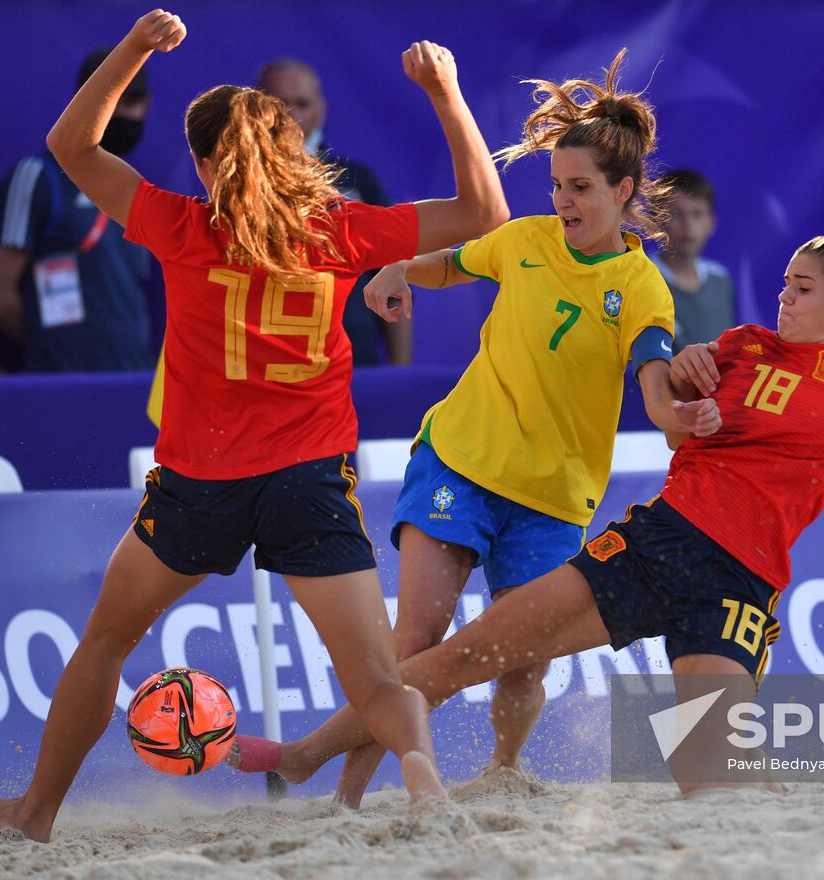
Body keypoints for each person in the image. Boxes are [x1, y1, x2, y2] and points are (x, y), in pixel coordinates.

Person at [228, 128, 824, 795]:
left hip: (738, 584)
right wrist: (689, 395)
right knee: (458, 656)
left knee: (706, 778)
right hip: (657, 544)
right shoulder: (737, 346)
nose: (784, 297)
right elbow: (672, 421)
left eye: (801, 288)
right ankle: (306, 756)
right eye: (787, 283)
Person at [0, 10, 508, 842]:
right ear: (292, 154)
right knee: (371, 681)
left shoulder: (183, 227)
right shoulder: (337, 231)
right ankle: (424, 779)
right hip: (310, 482)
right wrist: (446, 91)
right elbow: (483, 212)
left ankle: (35, 814)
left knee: (106, 642)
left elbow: (71, 146)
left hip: (199, 484)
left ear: (206, 161)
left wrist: (137, 49)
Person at [230, 49, 719, 807]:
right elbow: (454, 260)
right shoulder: (523, 241)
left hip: (554, 497)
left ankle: (501, 772)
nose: (563, 200)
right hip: (460, 459)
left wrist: (673, 419)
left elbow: (654, 385)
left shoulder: (641, 287)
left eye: (581, 188)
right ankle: (345, 799)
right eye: (557, 184)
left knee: (522, 664)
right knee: (415, 643)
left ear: (624, 192)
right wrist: (396, 272)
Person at [0, 49, 158, 372]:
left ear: (147, 103)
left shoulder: (138, 187)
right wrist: (54, 355)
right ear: (84, 101)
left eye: (131, 101)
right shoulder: (36, 176)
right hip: (63, 388)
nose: (122, 113)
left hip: (134, 383)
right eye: (112, 100)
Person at [257, 57, 412, 366]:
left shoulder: (357, 182)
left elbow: (393, 279)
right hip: (264, 366)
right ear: (254, 108)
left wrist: (400, 376)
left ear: (321, 109)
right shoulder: (233, 181)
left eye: (302, 103)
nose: (292, 115)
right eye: (280, 104)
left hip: (352, 362)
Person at [654, 169, 735, 350]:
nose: (688, 225)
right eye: (676, 214)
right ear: (657, 220)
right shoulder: (639, 278)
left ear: (711, 223)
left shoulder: (722, 281)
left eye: (697, 214)